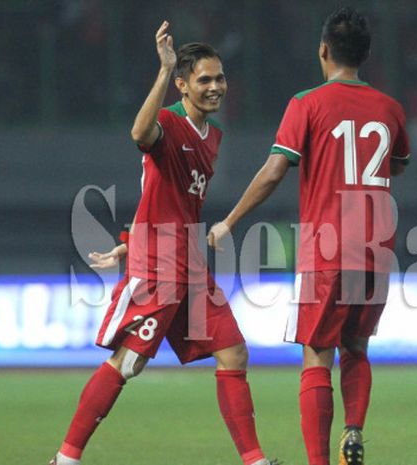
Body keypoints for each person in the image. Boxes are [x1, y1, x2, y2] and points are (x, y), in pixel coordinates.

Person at [49, 21, 274, 465]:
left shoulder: (214, 138)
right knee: (129, 363)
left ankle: (255, 461)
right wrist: (163, 67)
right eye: (204, 79)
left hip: (187, 261)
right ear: (183, 85)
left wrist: (128, 237)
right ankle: (66, 458)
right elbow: (139, 134)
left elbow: (158, 191)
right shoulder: (169, 122)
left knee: (233, 351)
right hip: (157, 265)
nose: (215, 87)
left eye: (220, 78)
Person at [208, 7, 410, 465]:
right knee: (357, 347)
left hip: (328, 248)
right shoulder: (389, 108)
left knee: (318, 355)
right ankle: (354, 432)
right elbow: (397, 162)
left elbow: (275, 169)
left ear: (323, 50)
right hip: (377, 248)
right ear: (366, 54)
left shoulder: (307, 103)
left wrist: (232, 219)